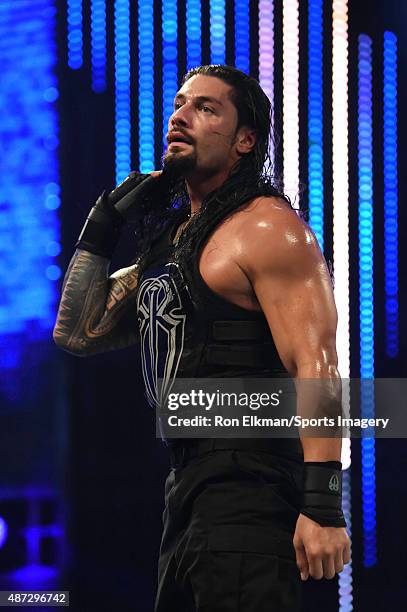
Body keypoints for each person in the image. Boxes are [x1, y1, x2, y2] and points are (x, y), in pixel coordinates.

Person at [53, 64, 351, 611]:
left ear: (244, 140)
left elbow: (318, 365)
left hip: (253, 485)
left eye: (206, 108)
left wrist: (324, 506)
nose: (180, 117)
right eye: (180, 104)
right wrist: (100, 232)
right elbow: (79, 332)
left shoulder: (267, 229)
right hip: (188, 487)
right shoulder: (173, 244)